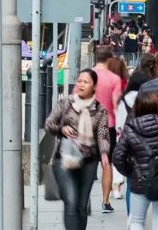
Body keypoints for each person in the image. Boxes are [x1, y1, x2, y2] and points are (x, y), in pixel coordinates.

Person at [44, 69, 111, 230]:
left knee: (81, 205)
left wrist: (104, 154)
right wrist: (62, 129)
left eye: (86, 82)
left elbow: (102, 135)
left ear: (94, 86)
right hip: (64, 159)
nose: (81, 84)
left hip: (88, 161)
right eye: (79, 81)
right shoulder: (66, 104)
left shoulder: (100, 110)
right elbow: (48, 124)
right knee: (71, 201)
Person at [113, 91, 158, 230]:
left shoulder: (131, 127)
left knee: (137, 220)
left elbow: (118, 157)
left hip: (140, 179)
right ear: (157, 106)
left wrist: (131, 172)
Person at [114, 71, 150, 215]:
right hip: (146, 143)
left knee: (131, 182)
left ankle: (131, 214)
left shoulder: (123, 101)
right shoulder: (147, 100)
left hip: (129, 144)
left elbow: (119, 125)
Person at [92, 46, 123, 213]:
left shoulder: (86, 76)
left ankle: (85, 200)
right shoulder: (114, 79)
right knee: (106, 163)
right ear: (110, 60)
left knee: (87, 163)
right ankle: (105, 202)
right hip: (108, 125)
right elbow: (116, 104)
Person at [106, 56, 129, 199]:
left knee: (109, 156)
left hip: (107, 123)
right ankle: (117, 185)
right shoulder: (126, 83)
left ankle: (109, 185)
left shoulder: (105, 84)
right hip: (123, 123)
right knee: (120, 154)